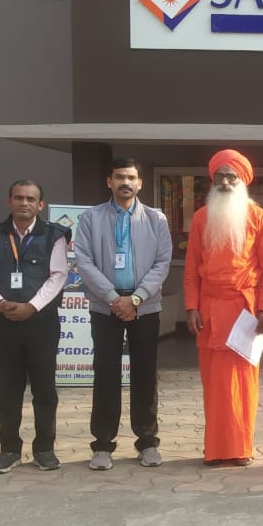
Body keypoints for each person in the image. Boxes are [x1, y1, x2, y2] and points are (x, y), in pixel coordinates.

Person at [73, 157, 173, 470]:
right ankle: (103, 444)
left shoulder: (156, 219)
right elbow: (83, 261)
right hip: (106, 307)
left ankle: (147, 442)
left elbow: (163, 262)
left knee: (145, 374)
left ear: (140, 183)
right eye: (119, 177)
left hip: (145, 306)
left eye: (131, 177)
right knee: (105, 374)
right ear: (109, 182)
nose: (125, 182)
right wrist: (113, 298)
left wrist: (137, 298)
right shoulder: (90, 218)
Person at [184, 149, 263, 467]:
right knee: (214, 385)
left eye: (231, 176)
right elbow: (191, 268)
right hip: (210, 311)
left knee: (243, 384)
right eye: (220, 176)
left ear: (243, 181)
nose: (225, 182)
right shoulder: (200, 217)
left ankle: (241, 448)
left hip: (244, 311)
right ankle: (215, 450)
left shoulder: (258, 217)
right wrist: (191, 307)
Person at [0, 180, 70, 474]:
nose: (24, 203)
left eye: (30, 199)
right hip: (5, 322)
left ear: (40, 205)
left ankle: (44, 449)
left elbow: (58, 275)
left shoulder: (54, 234)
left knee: (44, 389)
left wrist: (32, 306)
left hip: (41, 323)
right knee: (9, 389)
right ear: (9, 201)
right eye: (18, 198)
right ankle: (9, 449)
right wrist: (0, 303)